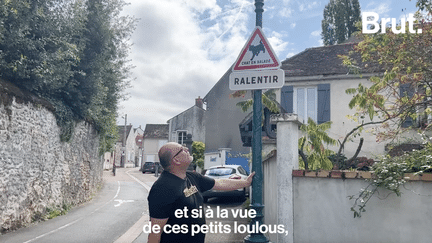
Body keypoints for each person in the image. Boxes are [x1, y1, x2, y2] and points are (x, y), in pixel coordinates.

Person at [147, 142, 255, 243]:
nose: (187, 149)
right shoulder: (162, 189)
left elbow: (219, 183)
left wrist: (245, 182)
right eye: (182, 149)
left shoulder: (192, 177)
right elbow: (155, 231)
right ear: (176, 160)